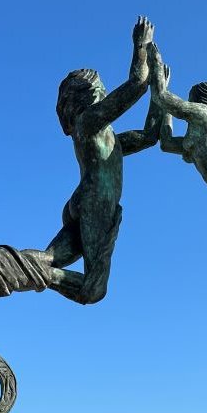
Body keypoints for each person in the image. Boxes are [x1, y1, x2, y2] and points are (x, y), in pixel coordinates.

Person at [43, 17, 161, 305]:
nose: (106, 93)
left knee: (47, 263)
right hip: (95, 201)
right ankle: (30, 272)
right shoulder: (89, 122)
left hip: (84, 201)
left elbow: (150, 135)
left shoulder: (110, 140)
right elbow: (136, 84)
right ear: (91, 93)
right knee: (93, 290)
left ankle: (10, 267)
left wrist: (161, 89)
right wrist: (140, 46)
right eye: (102, 89)